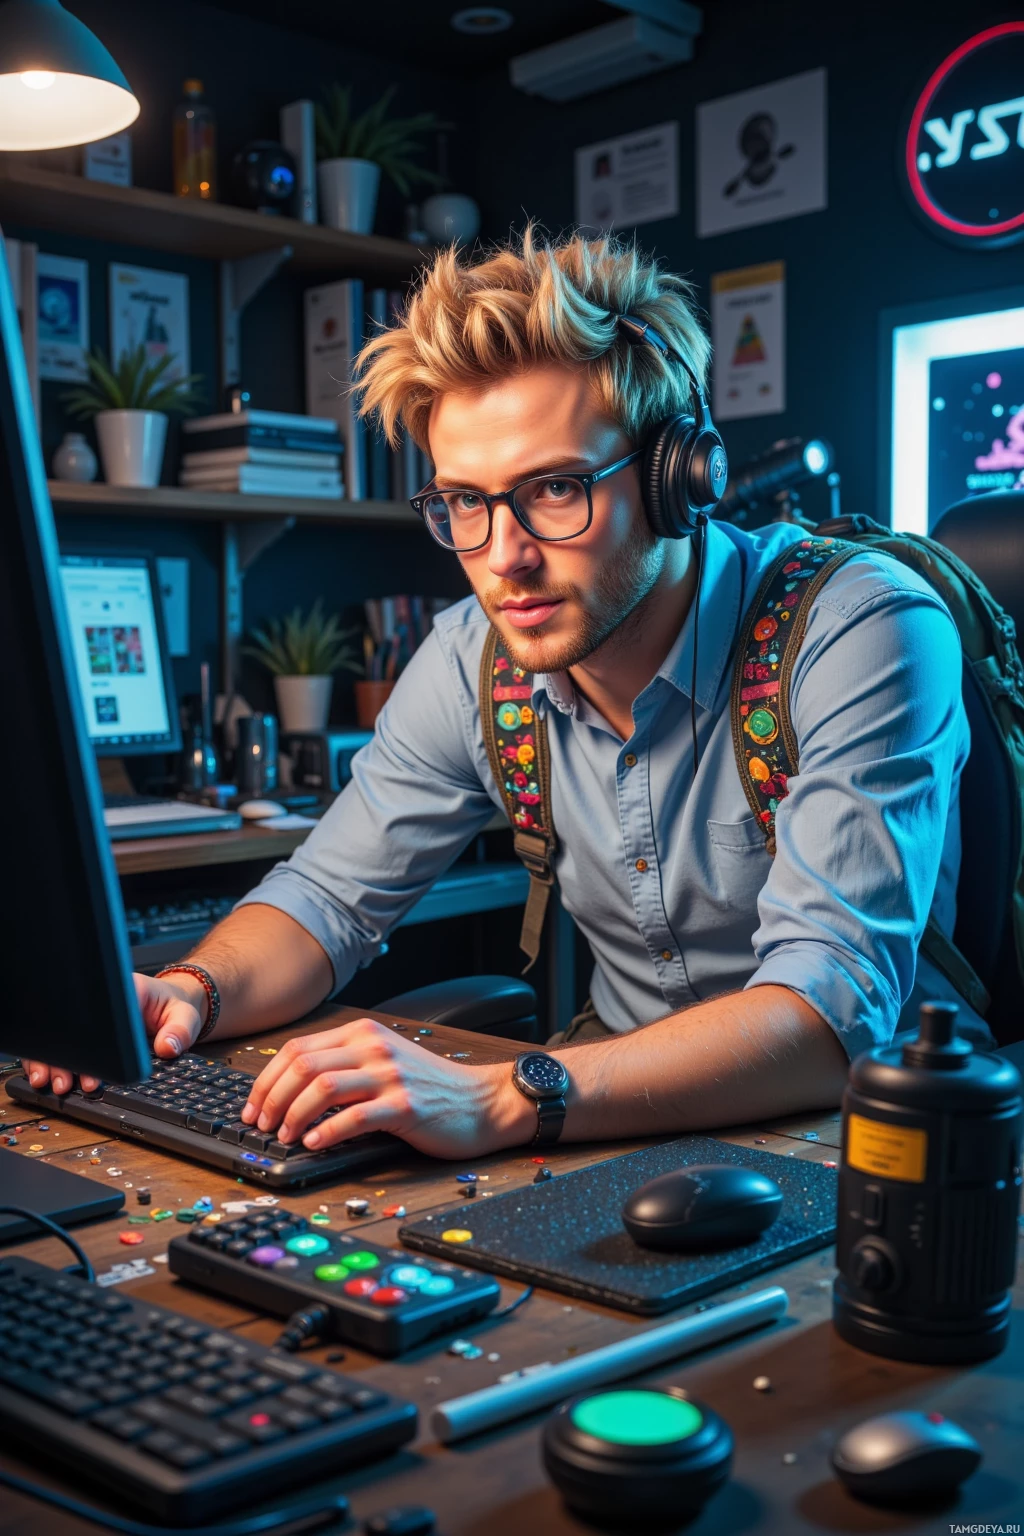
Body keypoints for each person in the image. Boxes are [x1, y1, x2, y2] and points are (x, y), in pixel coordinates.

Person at [28, 229, 982, 1157]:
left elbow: (829, 1015)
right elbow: (327, 899)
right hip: (609, 1127)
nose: (504, 558)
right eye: (464, 503)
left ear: (674, 476)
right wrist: (195, 987)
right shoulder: (471, 659)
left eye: (556, 490)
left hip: (875, 1142)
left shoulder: (862, 627)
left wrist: (504, 1093)